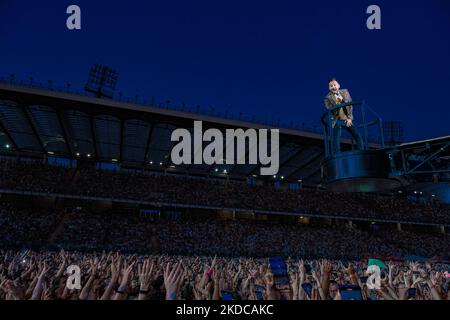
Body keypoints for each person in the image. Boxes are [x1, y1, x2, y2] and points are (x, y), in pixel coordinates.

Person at [324, 78, 364, 153]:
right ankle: (337, 153)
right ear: (329, 88)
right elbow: (330, 109)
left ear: (338, 86)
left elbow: (350, 105)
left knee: (356, 134)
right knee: (336, 136)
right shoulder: (327, 98)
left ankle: (361, 150)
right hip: (337, 119)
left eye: (334, 85)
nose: (333, 87)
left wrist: (350, 118)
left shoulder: (345, 92)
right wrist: (337, 102)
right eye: (331, 86)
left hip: (347, 119)